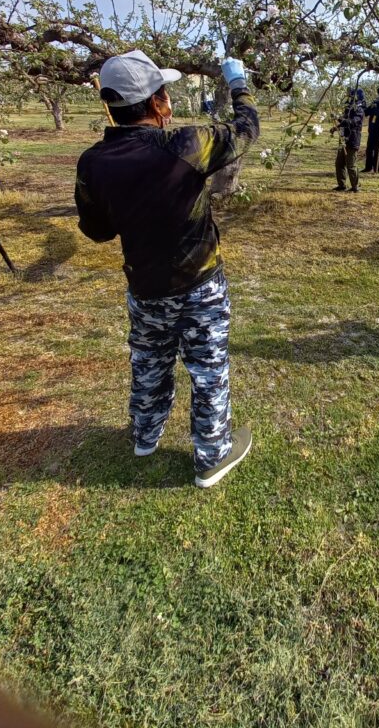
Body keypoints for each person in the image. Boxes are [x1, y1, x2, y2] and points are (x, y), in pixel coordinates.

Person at [74, 49, 259, 487]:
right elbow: (247, 130)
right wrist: (239, 85)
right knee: (208, 367)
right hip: (200, 284)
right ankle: (211, 455)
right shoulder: (187, 146)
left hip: (145, 288)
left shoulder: (93, 163)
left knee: (149, 361)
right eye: (165, 92)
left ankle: (145, 434)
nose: (169, 99)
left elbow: (97, 231)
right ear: (156, 103)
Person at [332, 86, 365, 192]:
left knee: (351, 164)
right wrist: (335, 126)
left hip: (352, 139)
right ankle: (342, 185)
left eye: (352, 94)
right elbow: (344, 121)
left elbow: (353, 121)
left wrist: (343, 120)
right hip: (343, 139)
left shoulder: (359, 109)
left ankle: (355, 187)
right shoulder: (348, 107)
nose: (350, 96)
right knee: (339, 163)